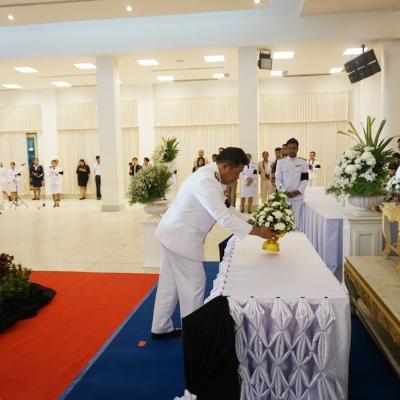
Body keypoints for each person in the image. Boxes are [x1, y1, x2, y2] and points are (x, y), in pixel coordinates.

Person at [151, 147, 277, 339]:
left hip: (172, 233)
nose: (237, 178)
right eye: (237, 173)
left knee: (170, 284)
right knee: (194, 284)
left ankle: (160, 327)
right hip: (180, 238)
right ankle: (194, 336)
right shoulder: (206, 182)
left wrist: (253, 222)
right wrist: (260, 233)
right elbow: (224, 218)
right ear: (225, 166)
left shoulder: (212, 175)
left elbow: (227, 208)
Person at [276, 138, 308, 227]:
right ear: (287, 149)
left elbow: (305, 179)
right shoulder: (281, 162)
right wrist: (284, 192)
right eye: (289, 148)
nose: (292, 150)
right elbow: (278, 179)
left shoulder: (303, 162)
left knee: (296, 223)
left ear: (297, 149)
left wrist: (297, 192)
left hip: (298, 198)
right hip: (284, 198)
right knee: (283, 224)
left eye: (294, 148)